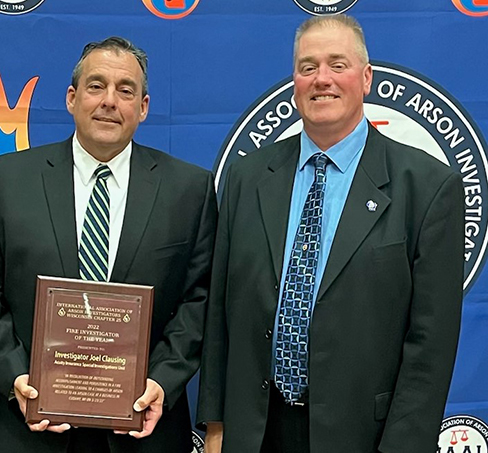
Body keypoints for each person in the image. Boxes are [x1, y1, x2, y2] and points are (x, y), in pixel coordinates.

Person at [197, 14, 463, 453]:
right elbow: (221, 311)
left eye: (337, 64)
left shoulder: (428, 186)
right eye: (307, 67)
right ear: (294, 83)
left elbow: (430, 347)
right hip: (255, 431)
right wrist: (217, 423)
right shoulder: (247, 177)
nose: (322, 79)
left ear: (366, 78)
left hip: (364, 435)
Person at [0, 36, 216, 453]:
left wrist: (161, 381)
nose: (110, 101)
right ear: (72, 99)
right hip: (25, 431)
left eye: (125, 90)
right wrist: (17, 378)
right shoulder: (8, 179)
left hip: (142, 432)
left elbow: (200, 300)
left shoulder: (189, 189)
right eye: (96, 86)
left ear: (143, 107)